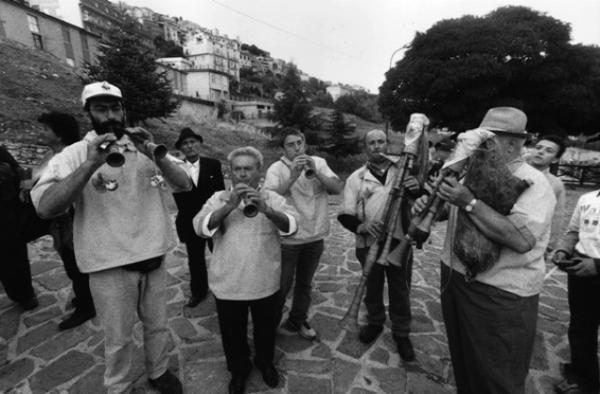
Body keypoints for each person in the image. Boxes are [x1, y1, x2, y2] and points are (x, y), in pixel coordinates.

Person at [31, 81, 190, 394]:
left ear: (124, 110)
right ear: (88, 113)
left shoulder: (143, 146)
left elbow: (184, 184)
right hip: (109, 263)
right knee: (118, 336)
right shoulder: (74, 154)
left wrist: (156, 154)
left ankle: (157, 371)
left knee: (158, 325)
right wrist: (91, 163)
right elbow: (45, 207)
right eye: (101, 109)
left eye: (115, 107)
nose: (110, 115)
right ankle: (117, 385)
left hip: (153, 253)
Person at [413, 107, 556, 393]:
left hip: (500, 294)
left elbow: (521, 239)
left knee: (497, 375)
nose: (480, 146)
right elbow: (450, 212)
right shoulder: (471, 173)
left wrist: (468, 202)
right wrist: (430, 209)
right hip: (454, 277)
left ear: (514, 143)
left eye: (488, 140)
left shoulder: (536, 183)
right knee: (465, 362)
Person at [193, 147, 298, 394]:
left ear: (258, 172)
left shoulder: (272, 197)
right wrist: (229, 206)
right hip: (228, 282)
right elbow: (199, 227)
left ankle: (265, 362)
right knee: (232, 334)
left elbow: (293, 226)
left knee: (265, 329)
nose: (242, 174)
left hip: (264, 280)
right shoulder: (218, 197)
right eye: (237, 169)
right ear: (230, 172)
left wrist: (268, 210)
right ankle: (238, 370)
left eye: (247, 168)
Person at [337, 128, 424, 362]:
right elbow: (344, 214)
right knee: (372, 287)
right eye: (372, 143)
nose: (377, 146)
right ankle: (375, 322)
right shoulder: (356, 177)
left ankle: (401, 332)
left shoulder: (403, 172)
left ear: (387, 144)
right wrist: (361, 226)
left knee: (400, 289)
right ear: (366, 148)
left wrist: (417, 188)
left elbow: (421, 200)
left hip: (399, 243)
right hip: (369, 243)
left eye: (381, 141)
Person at [264, 127, 343, 340]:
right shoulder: (275, 168)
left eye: (299, 143)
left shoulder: (318, 162)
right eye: (291, 144)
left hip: (315, 236)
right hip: (289, 239)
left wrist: (316, 172)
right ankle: (269, 324)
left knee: (305, 284)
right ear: (283, 149)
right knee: (281, 285)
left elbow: (336, 189)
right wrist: (292, 176)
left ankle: (296, 321)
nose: (297, 147)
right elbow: (270, 197)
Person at [33, 111, 96, 329]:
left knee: (76, 265)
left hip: (70, 221)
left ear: (59, 135)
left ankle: (87, 306)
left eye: (46, 129)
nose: (41, 133)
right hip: (59, 223)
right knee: (71, 264)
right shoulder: (51, 156)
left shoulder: (71, 157)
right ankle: (85, 298)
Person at [552, 191, 600, 394]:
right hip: (581, 268)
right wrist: (564, 250)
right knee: (581, 326)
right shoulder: (587, 199)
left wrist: (598, 265)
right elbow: (573, 231)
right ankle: (582, 375)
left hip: (596, 267)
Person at [172, 127, 224, 307]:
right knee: (195, 259)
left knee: (219, 254)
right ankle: (199, 292)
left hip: (212, 219)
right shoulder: (176, 168)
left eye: (192, 142)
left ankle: (223, 288)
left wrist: (218, 216)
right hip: (189, 220)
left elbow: (220, 193)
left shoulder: (214, 164)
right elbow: (177, 195)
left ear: (199, 143)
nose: (189, 146)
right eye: (185, 143)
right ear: (181, 148)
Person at [0, 145, 39, 310]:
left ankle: (25, 296)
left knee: (13, 256)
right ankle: (21, 295)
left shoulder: (1, 152)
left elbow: (22, 172)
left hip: (7, 214)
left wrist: (25, 188)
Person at [526, 135, 567, 255]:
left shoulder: (555, 184)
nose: (541, 152)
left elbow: (556, 216)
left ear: (555, 159)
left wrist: (549, 246)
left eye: (549, 151)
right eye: (538, 147)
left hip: (533, 241)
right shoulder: (513, 172)